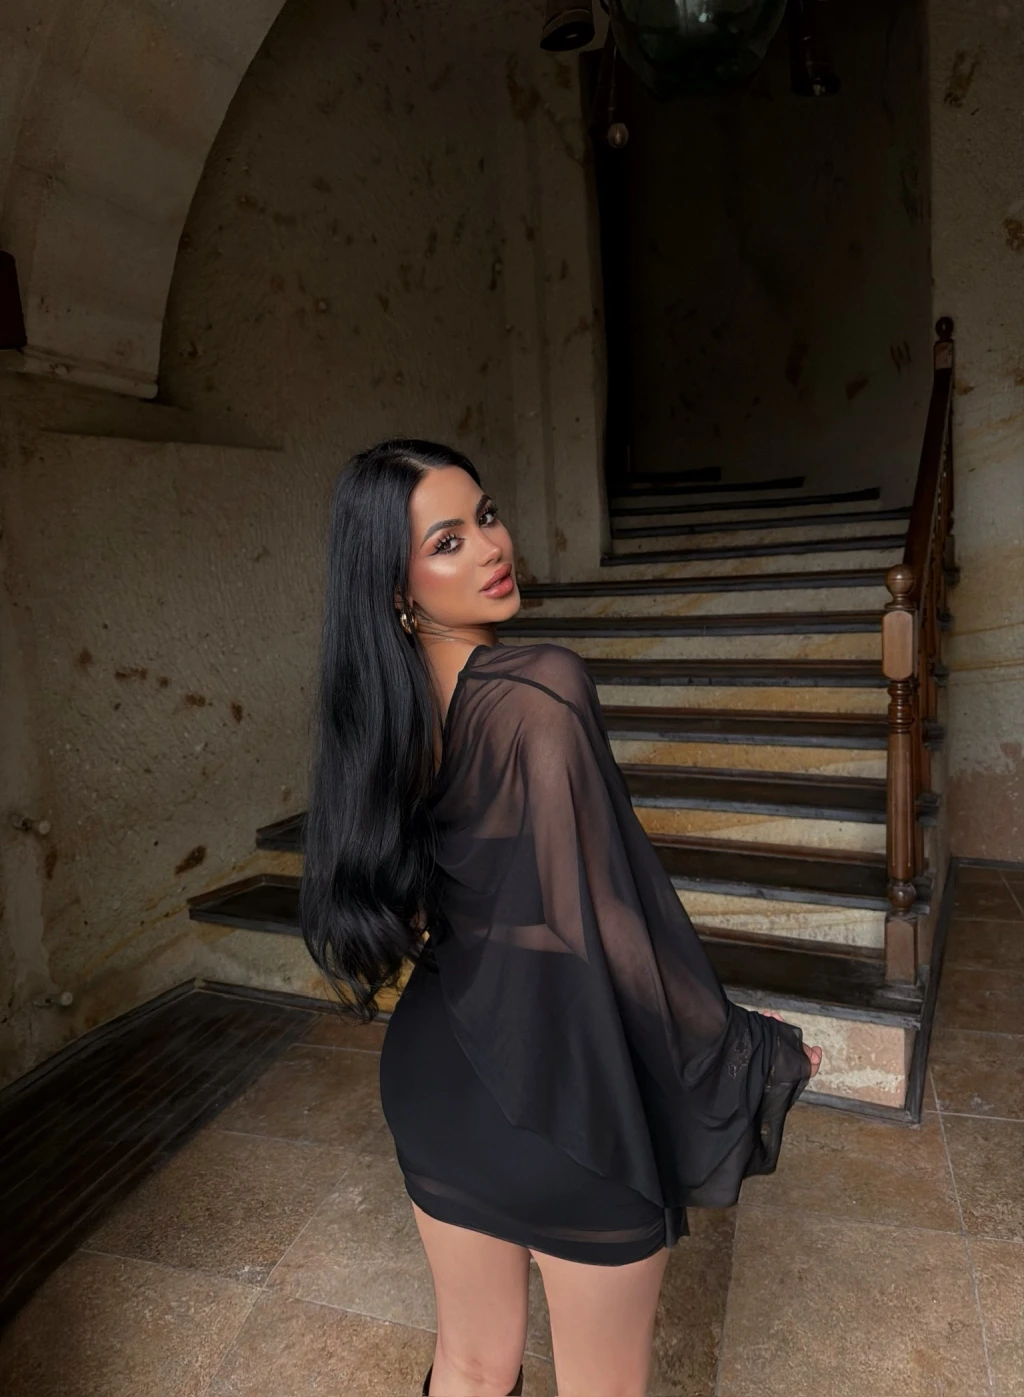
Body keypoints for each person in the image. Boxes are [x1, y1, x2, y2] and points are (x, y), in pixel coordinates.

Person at [300, 439, 821, 1397]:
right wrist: (741, 1046)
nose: (492, 546)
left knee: (468, 1364)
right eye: (448, 541)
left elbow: (439, 901)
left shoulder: (375, 718)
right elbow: (609, 916)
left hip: (433, 1076)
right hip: (560, 1099)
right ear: (396, 586)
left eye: (486, 516)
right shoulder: (539, 688)